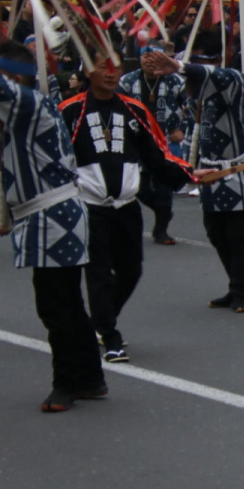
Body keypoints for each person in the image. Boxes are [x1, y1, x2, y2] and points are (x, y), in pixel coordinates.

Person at [59, 56, 193, 363]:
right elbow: (55, 158)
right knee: (99, 273)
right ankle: (110, 336)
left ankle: (99, 322)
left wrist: (188, 175)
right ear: (87, 71)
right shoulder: (69, 110)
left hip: (126, 206)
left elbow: (156, 155)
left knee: (131, 270)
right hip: (88, 206)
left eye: (116, 68)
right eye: (103, 67)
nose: (111, 74)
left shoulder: (134, 109)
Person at [0, 43, 105, 413]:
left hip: (53, 214)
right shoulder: (25, 108)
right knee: (68, 303)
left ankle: (67, 382)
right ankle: (90, 378)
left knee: (55, 306)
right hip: (47, 212)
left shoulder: (28, 104)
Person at [143, 38, 244, 312]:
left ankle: (241, 292)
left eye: (198, 66)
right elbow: (191, 135)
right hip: (209, 173)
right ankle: (238, 285)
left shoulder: (235, 82)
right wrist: (185, 169)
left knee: (238, 236)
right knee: (216, 233)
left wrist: (180, 66)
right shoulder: (198, 98)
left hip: (240, 172)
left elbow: (218, 76)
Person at [119, 42, 190, 245]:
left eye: (154, 57)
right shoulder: (127, 81)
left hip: (166, 140)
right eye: (145, 56)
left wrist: (181, 128)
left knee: (164, 187)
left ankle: (161, 230)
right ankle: (162, 211)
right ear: (140, 58)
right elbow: (117, 107)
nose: (149, 61)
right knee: (138, 187)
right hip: (135, 140)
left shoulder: (175, 81)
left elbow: (192, 105)